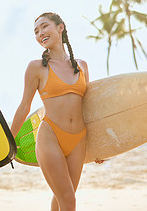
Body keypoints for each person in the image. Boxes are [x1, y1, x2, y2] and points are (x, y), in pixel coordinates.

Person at [10, 12, 89, 211]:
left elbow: (89, 108)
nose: (40, 33)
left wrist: (103, 146)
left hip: (79, 138)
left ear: (60, 27)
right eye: (36, 31)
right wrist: (9, 142)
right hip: (50, 136)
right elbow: (24, 107)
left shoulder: (82, 66)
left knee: (63, 196)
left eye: (44, 27)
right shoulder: (36, 68)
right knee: (68, 200)